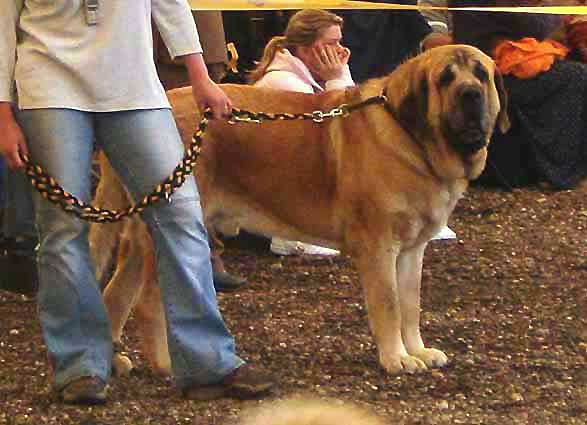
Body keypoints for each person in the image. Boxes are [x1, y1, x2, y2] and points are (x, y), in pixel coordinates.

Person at [0, 0, 275, 405]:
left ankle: (208, 361)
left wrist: (200, 77)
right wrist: (4, 114)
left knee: (181, 215)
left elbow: (170, 4)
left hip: (135, 88)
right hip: (48, 86)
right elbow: (3, 26)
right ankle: (80, 366)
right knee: (63, 229)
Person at [449, 0, 587, 189]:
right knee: (576, 77)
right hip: (492, 72)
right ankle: (555, 169)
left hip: (487, 63)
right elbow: (536, 25)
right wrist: (558, 7)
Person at [248, 9, 352, 257]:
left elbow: (356, 123)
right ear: (306, 49)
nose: (340, 50)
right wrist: (337, 78)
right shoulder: (283, 82)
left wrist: (341, 75)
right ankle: (291, 234)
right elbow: (338, 131)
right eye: (331, 43)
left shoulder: (311, 78)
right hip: (274, 183)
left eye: (340, 41)